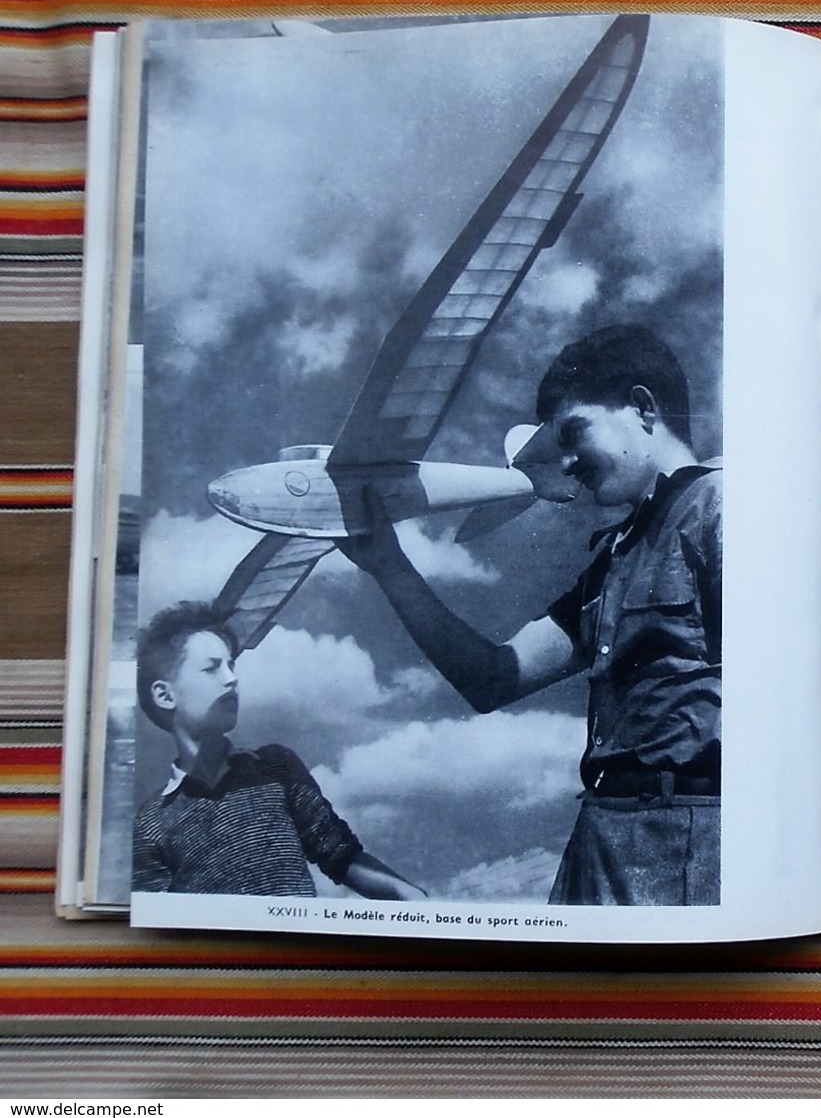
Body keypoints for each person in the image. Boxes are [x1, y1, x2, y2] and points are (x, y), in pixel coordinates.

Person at [342, 324, 721, 906]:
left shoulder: (722, 507)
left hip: (690, 836)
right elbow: (495, 678)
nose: (566, 463)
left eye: (575, 432)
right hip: (602, 838)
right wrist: (388, 565)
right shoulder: (614, 561)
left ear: (644, 409)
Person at [131, 600, 425, 899]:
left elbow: (342, 856)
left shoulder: (275, 768)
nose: (232, 679)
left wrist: (414, 898)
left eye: (231, 665)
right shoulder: (151, 822)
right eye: (211, 668)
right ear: (165, 696)